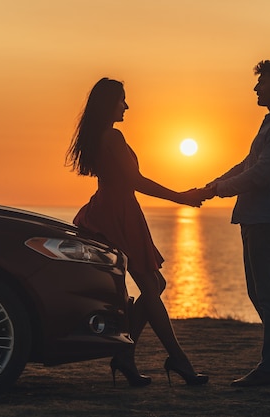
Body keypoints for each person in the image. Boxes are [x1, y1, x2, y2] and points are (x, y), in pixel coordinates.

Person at [66, 78, 209, 387]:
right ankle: (178, 359)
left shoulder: (101, 136)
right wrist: (181, 197)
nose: (127, 106)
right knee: (151, 284)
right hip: (116, 215)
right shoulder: (113, 136)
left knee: (155, 282)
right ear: (109, 104)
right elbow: (136, 181)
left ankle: (124, 355)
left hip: (115, 211)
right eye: (122, 100)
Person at [201, 59, 270, 386]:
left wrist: (218, 190)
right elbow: (248, 164)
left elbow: (260, 174)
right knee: (259, 293)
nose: (256, 87)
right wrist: (212, 186)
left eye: (263, 82)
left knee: (267, 294)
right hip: (257, 216)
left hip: (268, 217)